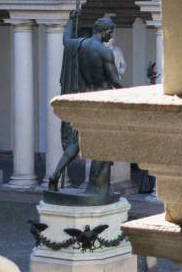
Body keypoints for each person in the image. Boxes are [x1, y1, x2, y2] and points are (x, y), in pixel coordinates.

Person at [45, 15, 128, 198]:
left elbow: (66, 40)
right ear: (102, 30)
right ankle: (98, 187)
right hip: (102, 101)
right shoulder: (104, 52)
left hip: (85, 98)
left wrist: (70, 21)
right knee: (104, 144)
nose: (111, 35)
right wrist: (136, 93)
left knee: (79, 141)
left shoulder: (80, 45)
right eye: (110, 31)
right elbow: (115, 80)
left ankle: (55, 174)